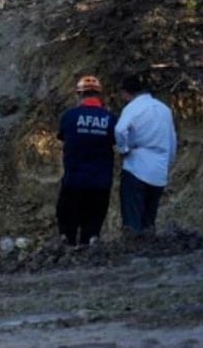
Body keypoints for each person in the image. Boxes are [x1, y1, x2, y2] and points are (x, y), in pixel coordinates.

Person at [56, 75, 116, 246]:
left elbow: (62, 136)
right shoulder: (110, 118)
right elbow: (117, 140)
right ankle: (90, 242)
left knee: (67, 223)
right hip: (100, 182)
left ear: (79, 94)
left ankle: (67, 244)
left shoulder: (69, 116)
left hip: (73, 180)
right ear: (99, 95)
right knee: (92, 226)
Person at [115, 75, 176, 237]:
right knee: (149, 218)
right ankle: (149, 244)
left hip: (136, 167)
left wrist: (123, 149)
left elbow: (120, 130)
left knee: (133, 218)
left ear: (125, 92)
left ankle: (133, 245)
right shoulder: (164, 109)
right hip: (159, 170)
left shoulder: (133, 107)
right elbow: (172, 140)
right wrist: (167, 164)